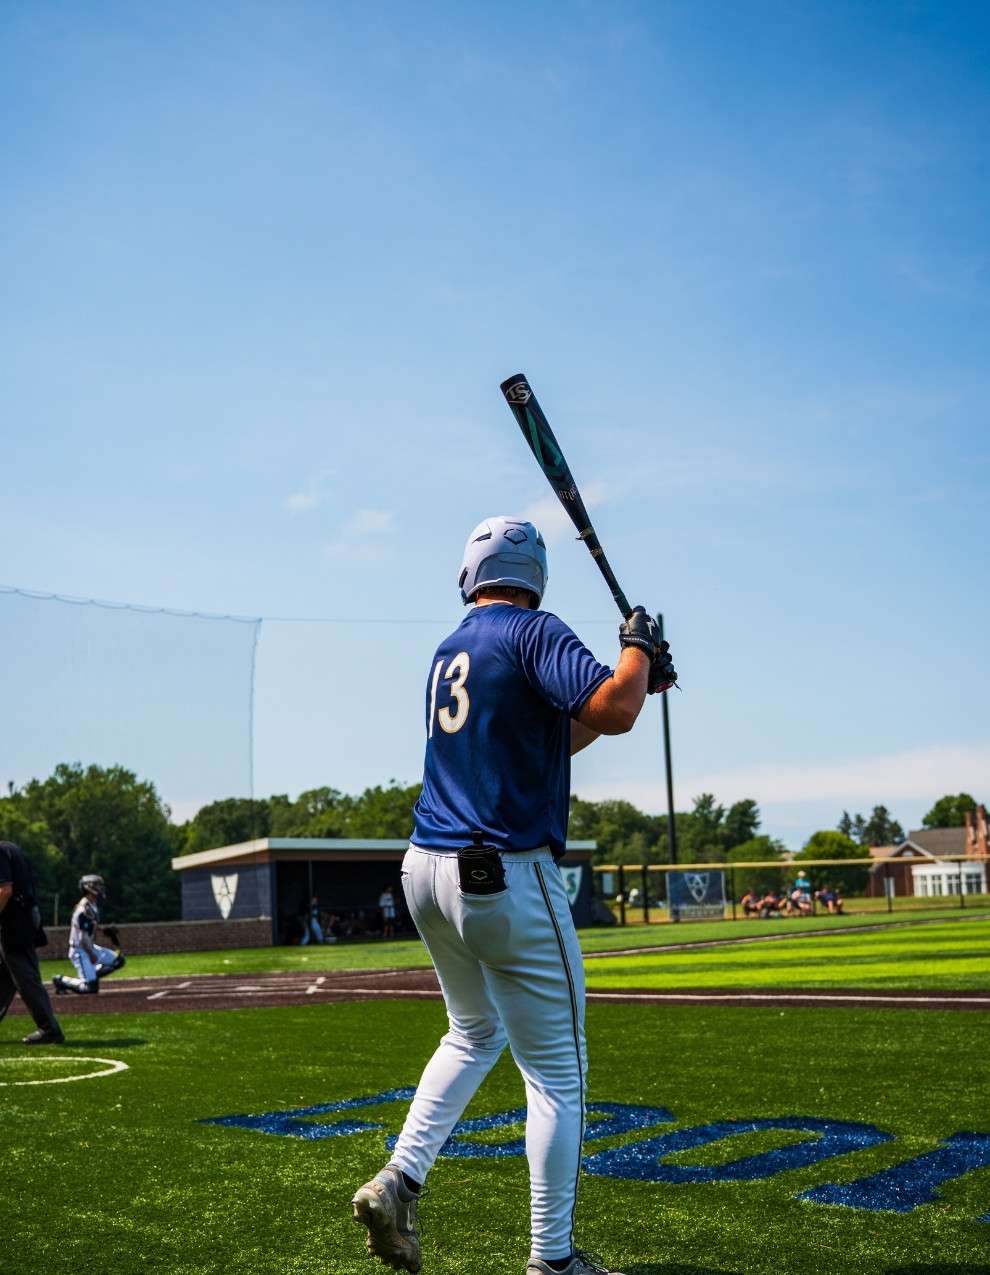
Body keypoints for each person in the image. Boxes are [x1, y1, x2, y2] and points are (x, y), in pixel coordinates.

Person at [350, 516, 676, 1275]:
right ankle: (551, 1262)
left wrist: (639, 674)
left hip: (425, 870)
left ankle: (399, 1179)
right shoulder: (534, 631)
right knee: (558, 1075)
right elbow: (616, 709)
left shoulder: (451, 649)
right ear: (536, 578)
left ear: (470, 575)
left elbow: (560, 733)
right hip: (503, 874)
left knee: (472, 1031)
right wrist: (637, 649)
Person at [0, 840, 65, 1044]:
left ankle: (49, 1028)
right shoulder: (10, 848)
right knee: (4, 976)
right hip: (23, 917)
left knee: (25, 977)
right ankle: (48, 1027)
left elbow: (4, 891)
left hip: (13, 922)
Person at [52, 875, 125, 995]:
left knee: (118, 961)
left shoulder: (92, 905)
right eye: (97, 885)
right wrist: (91, 954)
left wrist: (103, 930)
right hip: (80, 950)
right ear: (88, 887)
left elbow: (91, 926)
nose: (100, 888)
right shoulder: (84, 909)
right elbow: (82, 937)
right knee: (90, 989)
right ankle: (61, 981)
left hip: (89, 946)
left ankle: (90, 976)